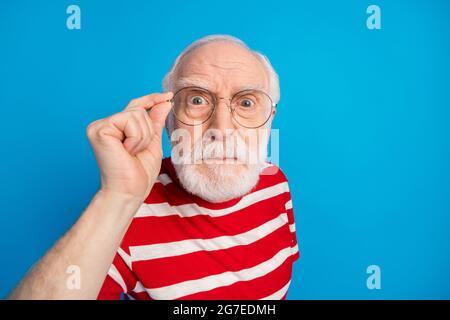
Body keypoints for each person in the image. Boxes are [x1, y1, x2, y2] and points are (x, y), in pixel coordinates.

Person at [9, 35, 299, 300]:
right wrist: (117, 197)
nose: (221, 129)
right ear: (168, 118)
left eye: (247, 102)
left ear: (270, 117)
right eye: (197, 99)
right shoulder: (126, 215)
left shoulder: (277, 184)